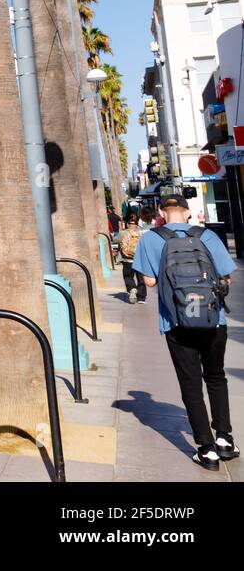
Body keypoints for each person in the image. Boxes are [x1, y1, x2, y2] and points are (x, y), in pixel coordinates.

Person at [134, 194, 237, 471]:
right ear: (187, 212)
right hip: (214, 321)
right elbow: (227, 276)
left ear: (160, 212)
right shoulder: (208, 236)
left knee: (190, 384)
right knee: (215, 377)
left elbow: (150, 281)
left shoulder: (151, 239)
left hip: (176, 323)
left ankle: (206, 449)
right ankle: (225, 439)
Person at [115, 212, 146, 304]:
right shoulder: (142, 232)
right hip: (140, 259)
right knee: (141, 278)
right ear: (137, 224)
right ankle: (141, 298)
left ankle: (132, 288)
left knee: (128, 276)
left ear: (128, 224)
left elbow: (115, 240)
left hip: (127, 259)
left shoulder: (123, 233)